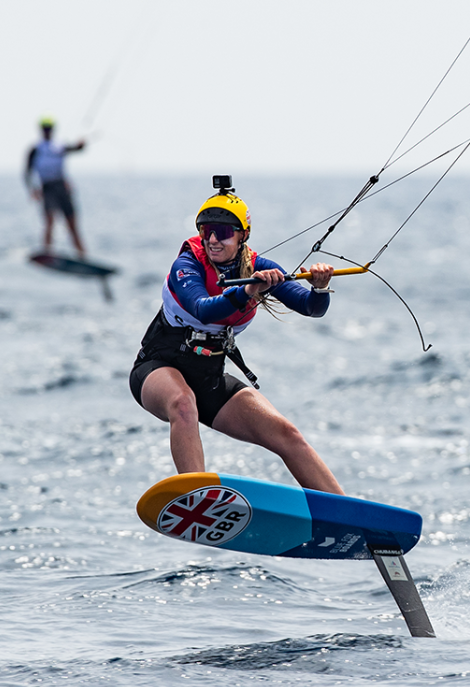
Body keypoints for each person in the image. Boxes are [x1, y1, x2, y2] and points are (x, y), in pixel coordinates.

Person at [129, 177, 346, 495]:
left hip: (209, 378)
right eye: (207, 231)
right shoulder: (187, 264)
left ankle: (345, 513)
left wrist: (320, 286)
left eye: (224, 232)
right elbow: (203, 309)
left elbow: (311, 308)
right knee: (183, 404)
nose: (213, 240)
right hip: (158, 367)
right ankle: (196, 497)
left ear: (243, 235)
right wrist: (247, 291)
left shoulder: (259, 267)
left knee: (286, 434)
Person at [24, 117, 87, 257]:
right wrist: (32, 189)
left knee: (72, 222)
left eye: (49, 128)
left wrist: (81, 144)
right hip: (47, 188)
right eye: (45, 129)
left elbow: (76, 149)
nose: (47, 131)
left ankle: (82, 255)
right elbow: (27, 172)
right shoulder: (35, 149)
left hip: (62, 187)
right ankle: (47, 251)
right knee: (49, 220)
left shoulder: (59, 146)